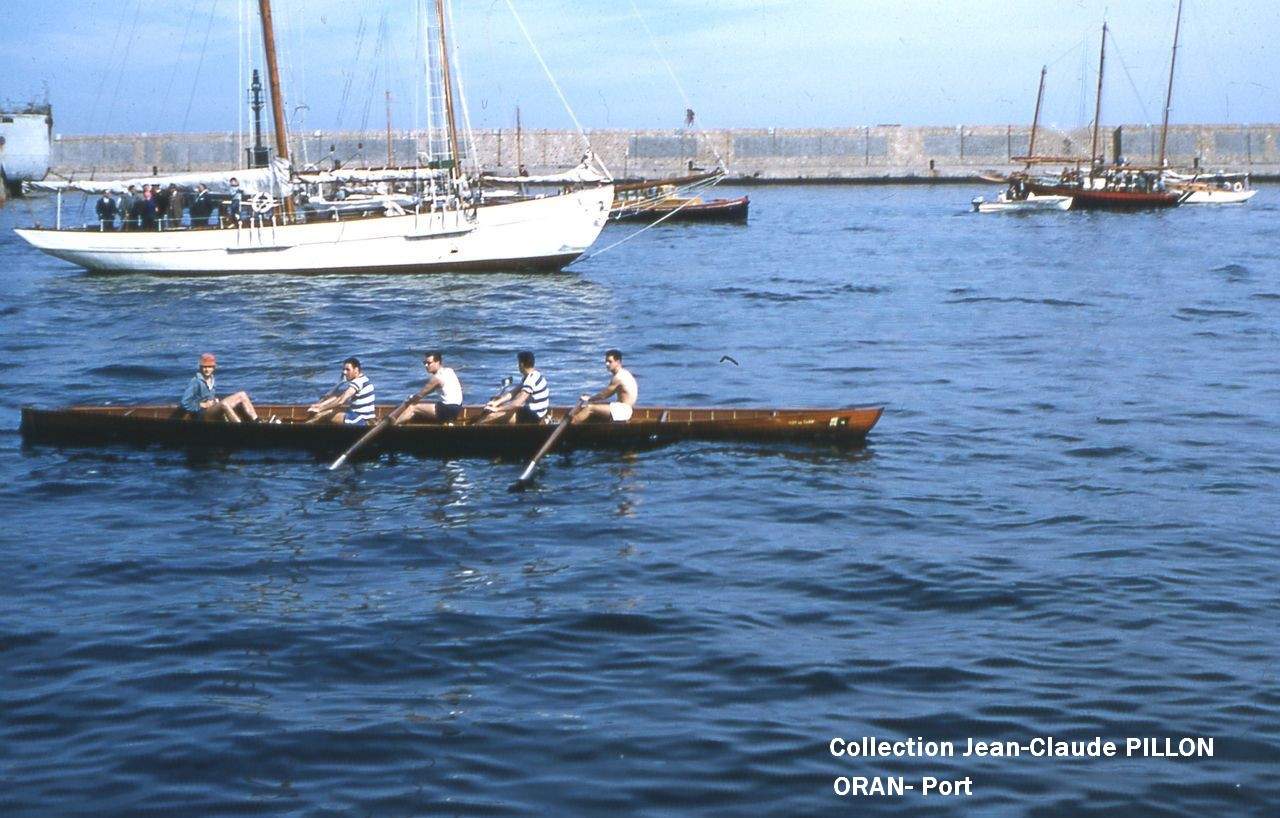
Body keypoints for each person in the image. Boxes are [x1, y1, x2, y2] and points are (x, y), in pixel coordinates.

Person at [180, 353, 260, 423]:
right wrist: (202, 405)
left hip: (212, 409)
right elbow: (184, 403)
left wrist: (214, 400)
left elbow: (208, 397)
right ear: (200, 367)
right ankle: (240, 427)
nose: (207, 369)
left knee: (242, 394)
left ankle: (257, 421)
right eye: (204, 367)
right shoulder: (196, 381)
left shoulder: (212, 379)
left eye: (209, 367)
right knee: (224, 404)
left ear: (214, 367)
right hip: (202, 414)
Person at [478, 350, 549, 425]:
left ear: (521, 364)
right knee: (500, 409)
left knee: (490, 417)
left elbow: (517, 403)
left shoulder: (531, 380)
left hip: (534, 416)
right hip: (533, 412)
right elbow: (513, 392)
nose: (517, 366)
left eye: (518, 363)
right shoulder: (534, 375)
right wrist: (496, 402)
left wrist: (497, 409)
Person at [394, 350, 464, 424]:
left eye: (429, 363)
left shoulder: (437, 378)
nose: (426, 366)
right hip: (458, 408)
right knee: (429, 404)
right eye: (425, 363)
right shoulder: (449, 370)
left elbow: (420, 395)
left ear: (437, 362)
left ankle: (392, 427)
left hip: (447, 409)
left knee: (412, 407)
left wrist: (410, 399)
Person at [572, 348, 637, 423]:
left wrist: (589, 399)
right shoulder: (624, 373)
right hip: (624, 410)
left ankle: (570, 425)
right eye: (606, 361)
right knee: (595, 405)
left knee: (590, 407)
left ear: (618, 362)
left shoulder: (619, 377)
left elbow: (603, 395)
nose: (607, 364)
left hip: (622, 411)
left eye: (610, 361)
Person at [307, 357, 376, 425]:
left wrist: (320, 409)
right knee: (329, 411)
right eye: (343, 369)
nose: (344, 372)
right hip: (361, 417)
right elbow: (339, 396)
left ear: (356, 370)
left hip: (360, 420)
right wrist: (320, 405)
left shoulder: (357, 382)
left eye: (347, 370)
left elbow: (340, 401)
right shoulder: (363, 379)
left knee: (322, 415)